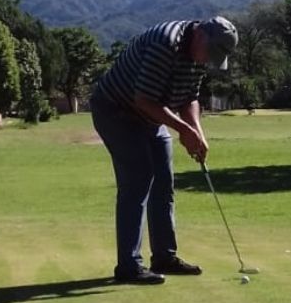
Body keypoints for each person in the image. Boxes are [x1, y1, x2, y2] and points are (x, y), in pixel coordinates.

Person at [90, 16, 238, 284]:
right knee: (138, 179)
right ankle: (129, 266)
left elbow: (190, 97)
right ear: (201, 36)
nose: (207, 61)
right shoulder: (166, 44)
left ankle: (164, 257)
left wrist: (197, 132)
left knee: (164, 182)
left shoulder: (198, 55)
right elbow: (143, 99)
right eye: (210, 53)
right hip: (116, 110)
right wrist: (183, 130)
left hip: (152, 115)